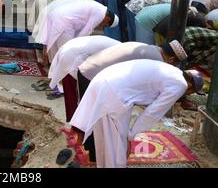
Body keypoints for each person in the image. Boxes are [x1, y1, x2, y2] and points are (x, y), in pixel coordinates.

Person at [68, 60, 203, 168]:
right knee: (116, 141)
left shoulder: (174, 72)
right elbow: (153, 112)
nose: (187, 95)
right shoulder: (181, 85)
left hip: (103, 80)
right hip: (114, 92)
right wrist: (131, 134)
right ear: (190, 86)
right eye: (190, 93)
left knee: (104, 134)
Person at [48, 35, 121, 121]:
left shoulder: (121, 47)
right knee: (79, 94)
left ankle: (77, 125)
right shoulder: (122, 53)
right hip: (73, 56)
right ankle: (78, 126)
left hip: (68, 50)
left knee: (74, 92)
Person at [34, 0, 118, 61]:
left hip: (56, 15)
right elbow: (86, 31)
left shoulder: (99, 7)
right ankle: (61, 77)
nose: (102, 26)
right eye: (105, 25)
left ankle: (54, 73)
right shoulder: (100, 13)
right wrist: (78, 47)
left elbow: (81, 28)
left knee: (57, 48)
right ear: (107, 19)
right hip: (63, 20)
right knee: (66, 51)